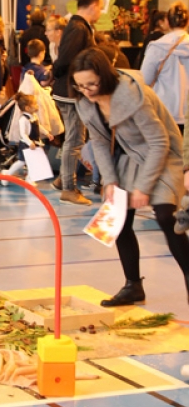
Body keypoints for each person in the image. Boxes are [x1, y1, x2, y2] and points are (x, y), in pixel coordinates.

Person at [71, 47, 189, 306]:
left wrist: (144, 187)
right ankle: (133, 286)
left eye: (91, 84)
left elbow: (159, 142)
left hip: (163, 155)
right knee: (117, 219)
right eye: (80, 86)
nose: (86, 90)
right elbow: (99, 142)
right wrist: (109, 181)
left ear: (104, 76)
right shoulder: (85, 102)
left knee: (166, 216)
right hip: (127, 157)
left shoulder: (133, 95)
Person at [51, 0, 102, 205]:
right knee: (74, 139)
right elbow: (65, 59)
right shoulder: (79, 28)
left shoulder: (79, 26)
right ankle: (69, 188)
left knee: (75, 138)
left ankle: (63, 179)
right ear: (93, 5)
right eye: (100, 8)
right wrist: (57, 74)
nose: (100, 12)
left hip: (71, 89)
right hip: (71, 92)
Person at [140, 1, 189, 133]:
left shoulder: (157, 46)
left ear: (167, 21)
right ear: (187, 22)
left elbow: (144, 80)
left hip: (164, 111)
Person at [3, 92, 49, 185]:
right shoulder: (23, 120)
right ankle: (7, 174)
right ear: (27, 108)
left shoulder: (34, 117)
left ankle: (30, 178)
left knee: (34, 162)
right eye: (35, 104)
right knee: (21, 162)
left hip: (35, 143)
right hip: (26, 144)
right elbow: (23, 134)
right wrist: (29, 142)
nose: (37, 105)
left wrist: (46, 133)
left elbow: (38, 126)